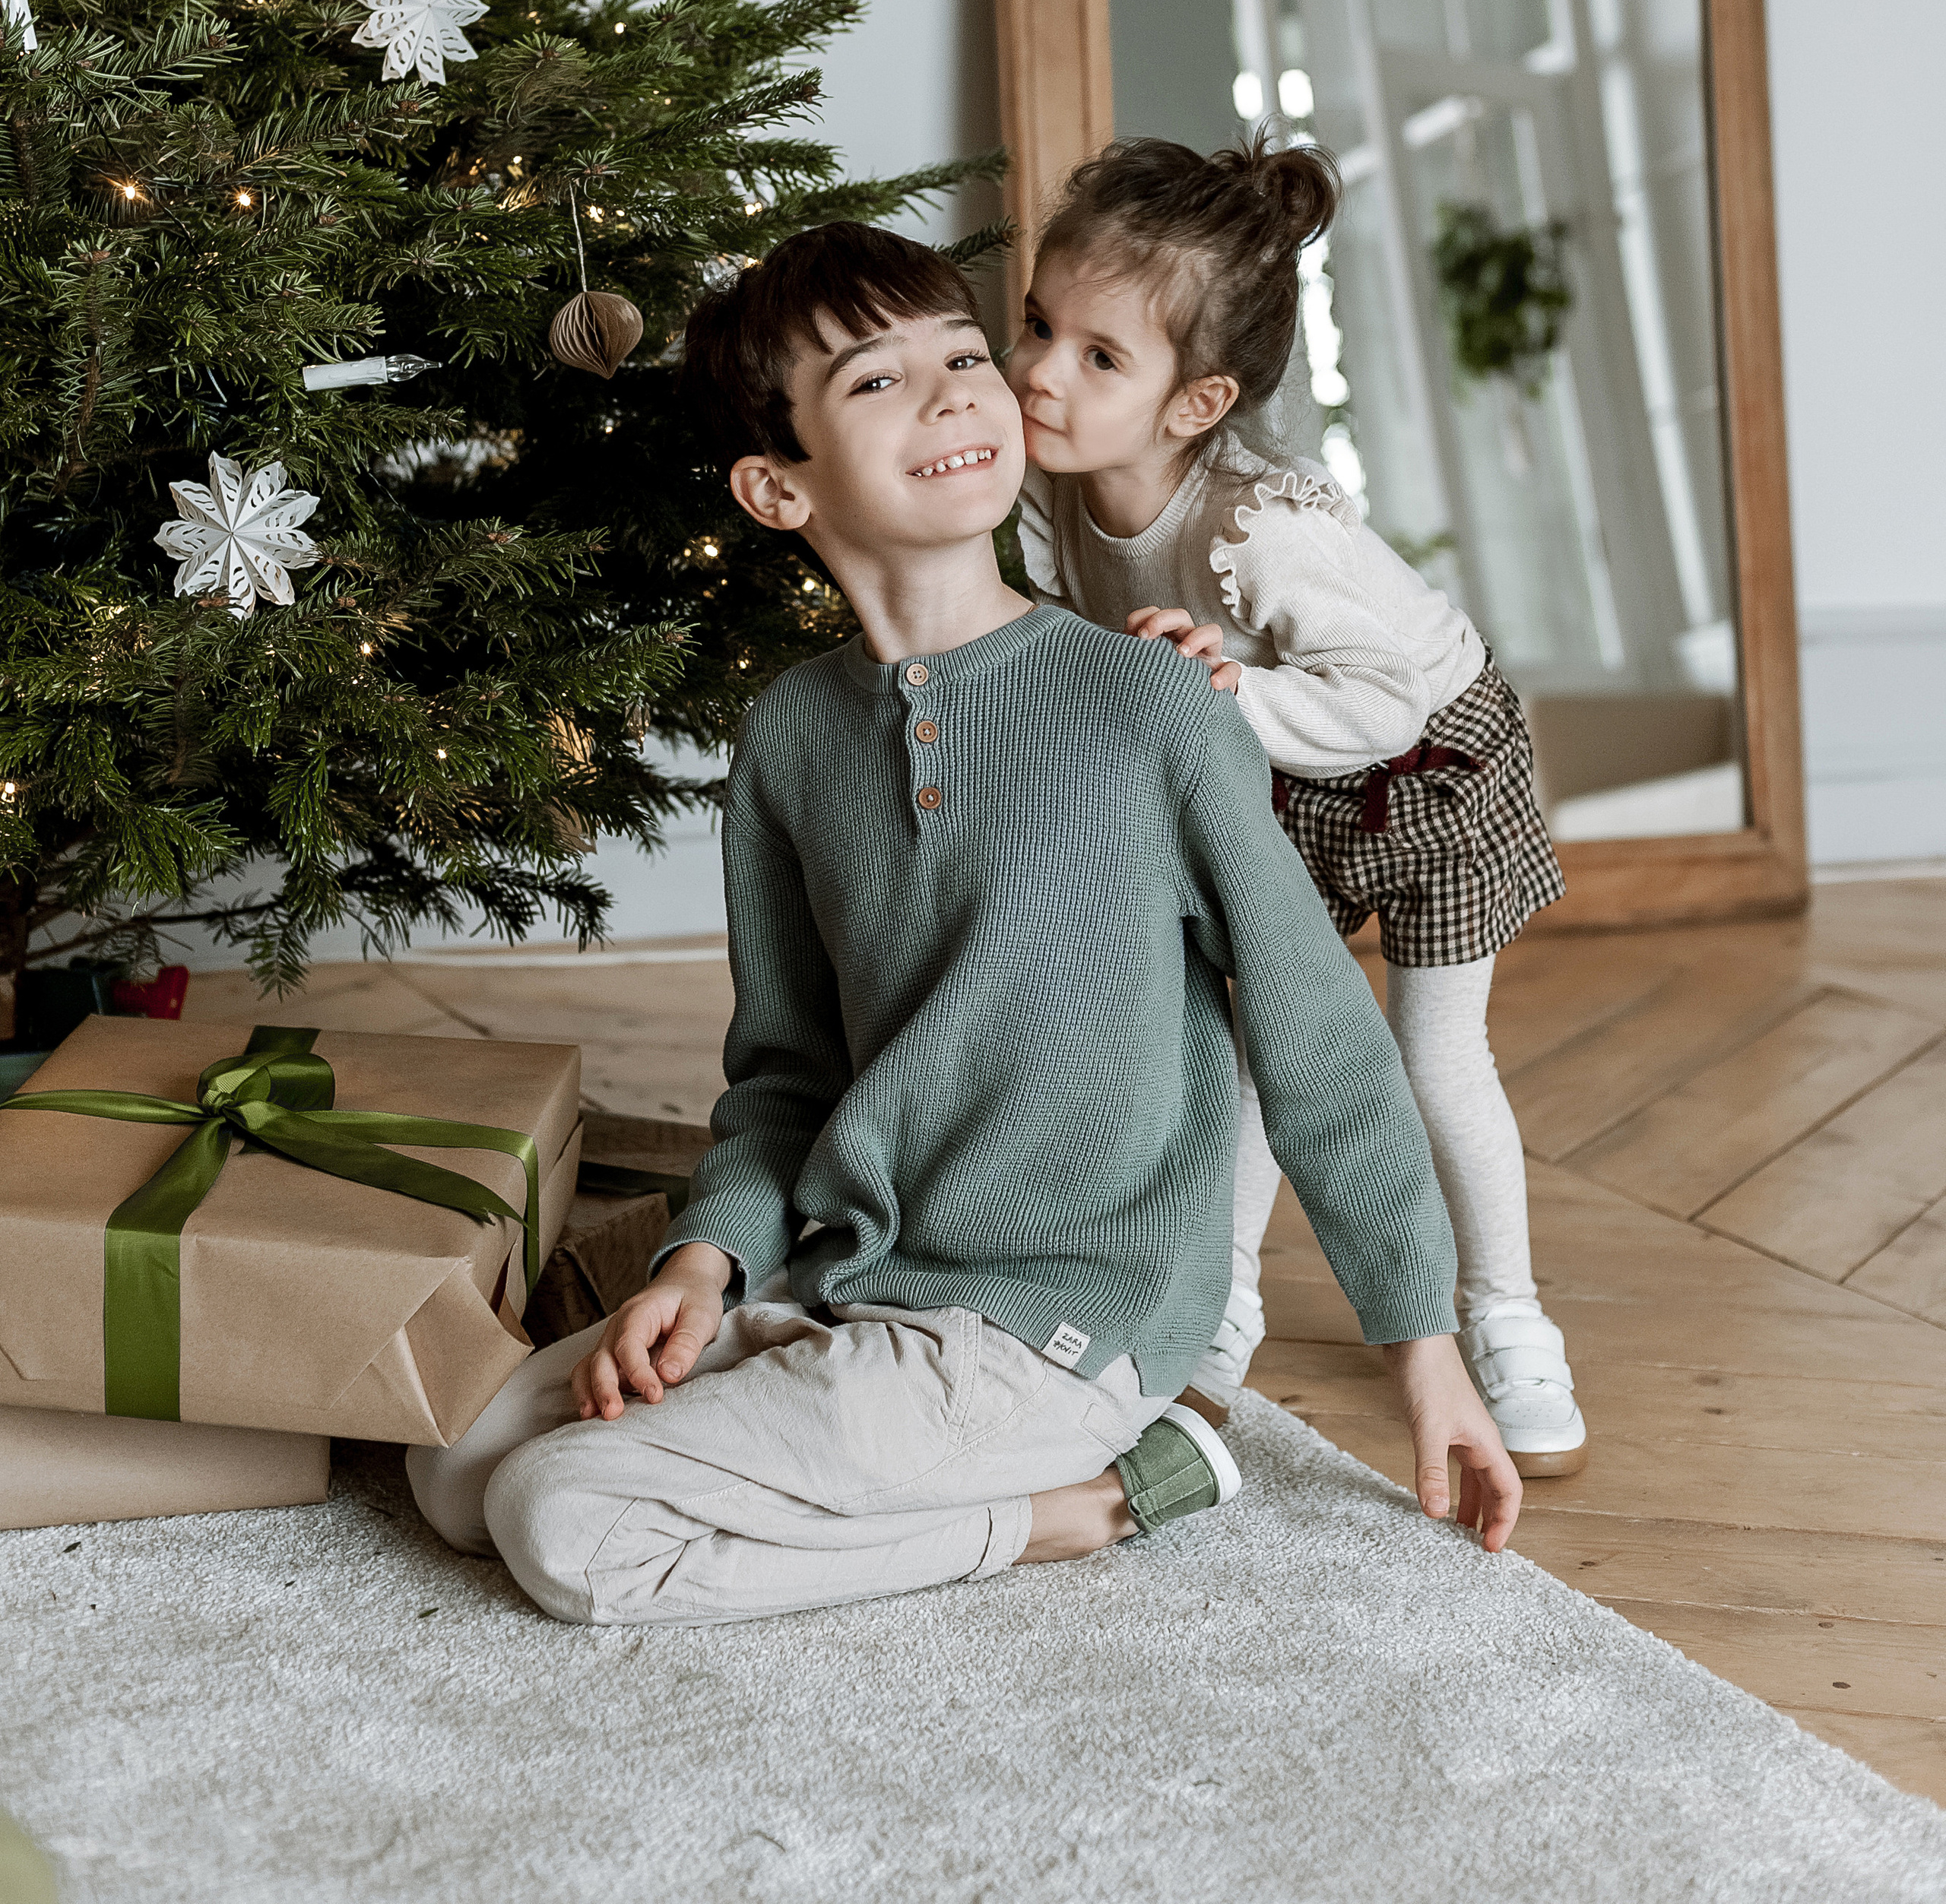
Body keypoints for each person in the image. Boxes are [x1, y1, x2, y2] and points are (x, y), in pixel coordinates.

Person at [408, 220, 1520, 1627]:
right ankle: (828, 1414)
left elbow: (1320, 1044)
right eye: (878, 382)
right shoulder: (796, 738)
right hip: (846, 1278)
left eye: (966, 355)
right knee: (450, 1465)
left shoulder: (1150, 702)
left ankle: (1085, 1506)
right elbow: (787, 1075)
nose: (957, 396)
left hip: (1052, 1327)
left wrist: (1425, 1352)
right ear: (774, 484)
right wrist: (705, 1264)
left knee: (559, 1518)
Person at [1004, 137, 1584, 1477]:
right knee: (1252, 1055)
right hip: (1275, 781)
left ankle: (1505, 1316)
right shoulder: (1051, 491)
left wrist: (1229, 704)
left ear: (1197, 401)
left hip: (1426, 763)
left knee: (1435, 1060)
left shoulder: (1262, 530)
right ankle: (1218, 1324)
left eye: (1101, 357)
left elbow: (1379, 700)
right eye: (1040, 325)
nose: (1038, 371)